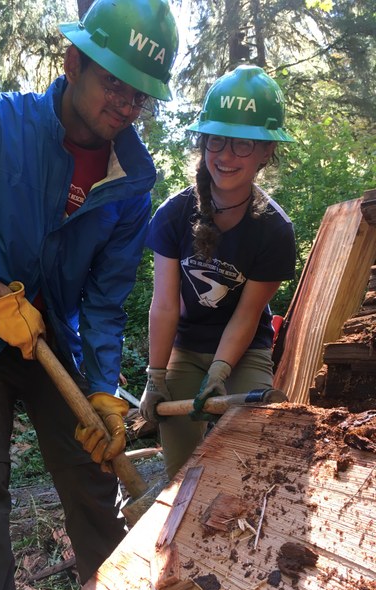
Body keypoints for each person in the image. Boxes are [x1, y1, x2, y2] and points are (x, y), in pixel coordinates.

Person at [0, 0, 178, 590]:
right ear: (73, 61)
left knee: (92, 481)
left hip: (55, 343)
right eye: (114, 80)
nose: (126, 102)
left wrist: (103, 390)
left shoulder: (132, 182)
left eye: (140, 92)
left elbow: (106, 301)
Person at [139, 65, 296, 480]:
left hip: (245, 351)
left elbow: (247, 316)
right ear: (203, 141)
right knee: (179, 468)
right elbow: (165, 305)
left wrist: (222, 370)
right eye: (217, 140)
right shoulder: (172, 216)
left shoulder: (275, 231)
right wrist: (155, 377)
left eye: (243, 144)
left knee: (251, 456)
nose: (226, 156)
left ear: (266, 152)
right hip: (186, 349)